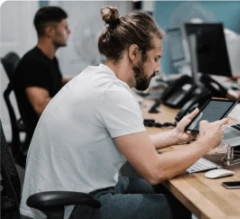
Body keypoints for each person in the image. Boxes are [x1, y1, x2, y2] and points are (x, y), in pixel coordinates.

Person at [20, 6, 228, 219]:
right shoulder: (112, 93)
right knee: (181, 208)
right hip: (70, 206)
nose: (158, 69)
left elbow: (129, 143)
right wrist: (206, 143)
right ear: (134, 53)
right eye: (155, 59)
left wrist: (174, 136)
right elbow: (154, 171)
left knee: (166, 191)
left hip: (66, 192)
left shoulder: (96, 77)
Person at [13, 6, 71, 146]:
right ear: (50, 31)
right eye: (65, 28)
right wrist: (76, 100)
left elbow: (53, 82)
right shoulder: (33, 64)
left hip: (54, 130)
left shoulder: (49, 59)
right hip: (44, 139)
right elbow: (41, 107)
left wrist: (82, 82)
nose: (69, 32)